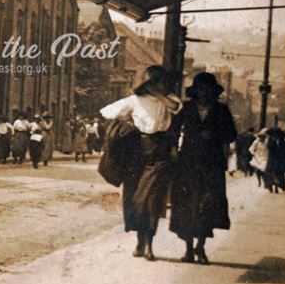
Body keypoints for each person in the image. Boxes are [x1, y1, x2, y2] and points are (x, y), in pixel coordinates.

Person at [100, 65, 183, 261]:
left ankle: (149, 245)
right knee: (135, 200)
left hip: (159, 154)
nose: (163, 85)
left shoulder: (170, 102)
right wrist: (126, 124)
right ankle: (140, 241)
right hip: (137, 154)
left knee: (153, 200)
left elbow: (178, 108)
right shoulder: (134, 101)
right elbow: (107, 112)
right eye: (158, 82)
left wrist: (162, 96)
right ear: (149, 84)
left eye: (164, 82)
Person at [168, 72, 237, 264]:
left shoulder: (221, 110)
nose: (204, 92)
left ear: (213, 91)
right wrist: (173, 149)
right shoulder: (186, 108)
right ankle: (188, 249)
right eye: (201, 88)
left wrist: (223, 160)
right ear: (196, 91)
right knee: (187, 205)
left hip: (212, 164)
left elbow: (228, 137)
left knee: (207, 206)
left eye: (208, 89)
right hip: (188, 163)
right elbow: (174, 130)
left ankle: (201, 248)